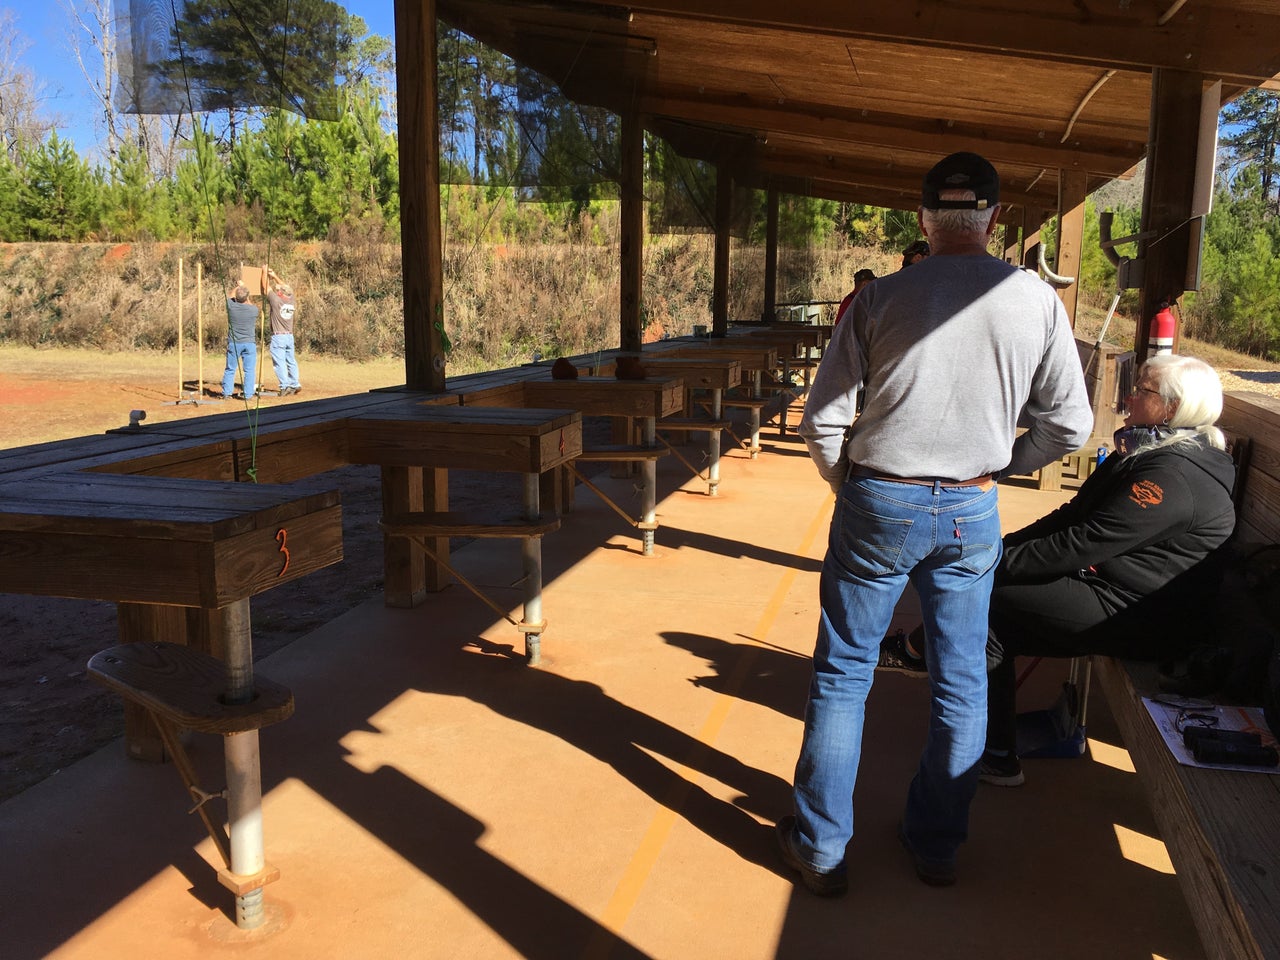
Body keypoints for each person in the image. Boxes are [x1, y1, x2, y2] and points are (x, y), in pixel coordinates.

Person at [774, 151, 1093, 896]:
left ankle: (820, 847)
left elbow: (823, 422)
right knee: (961, 682)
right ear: (992, 220)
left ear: (922, 219)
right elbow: (1070, 426)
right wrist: (1005, 466)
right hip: (972, 508)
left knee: (845, 674)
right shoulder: (1037, 302)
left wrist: (846, 482)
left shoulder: (881, 298)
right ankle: (936, 842)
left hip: (879, 497)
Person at [980, 354, 1236, 786]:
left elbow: (1083, 542)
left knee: (987, 596)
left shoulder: (1174, 475)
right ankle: (996, 750)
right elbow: (1070, 515)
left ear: (1173, 408)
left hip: (1146, 617)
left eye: (1143, 390)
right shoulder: (1148, 448)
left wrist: (987, 567)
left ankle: (989, 744)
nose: (1130, 397)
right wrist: (999, 552)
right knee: (993, 615)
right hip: (1115, 589)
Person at [264, 265, 302, 396]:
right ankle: (295, 383)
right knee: (291, 360)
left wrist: (264, 272)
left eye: (278, 290)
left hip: (278, 336)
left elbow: (265, 287)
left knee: (279, 362)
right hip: (289, 336)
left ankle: (284, 385)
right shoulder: (291, 300)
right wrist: (274, 276)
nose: (277, 290)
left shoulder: (276, 300)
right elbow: (286, 288)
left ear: (280, 293)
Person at [220, 282, 259, 400]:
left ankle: (227, 393)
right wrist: (244, 289)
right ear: (247, 297)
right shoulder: (253, 310)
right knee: (249, 370)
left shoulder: (231, 307)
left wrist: (238, 286)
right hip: (249, 343)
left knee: (230, 369)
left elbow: (230, 296)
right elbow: (250, 303)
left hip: (234, 343)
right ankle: (248, 394)